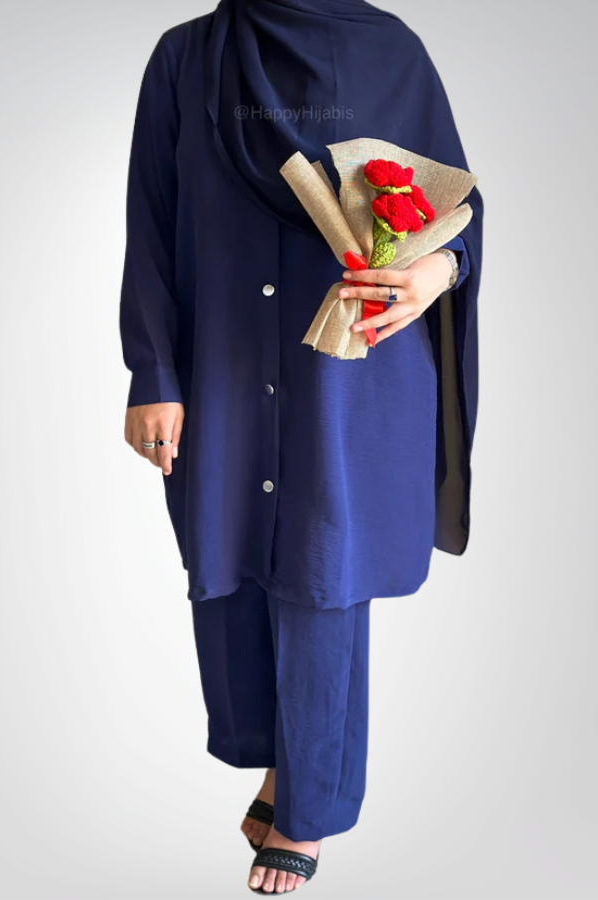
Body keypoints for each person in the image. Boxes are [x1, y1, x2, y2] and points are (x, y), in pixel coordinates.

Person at [119, 0, 483, 892]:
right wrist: (153, 372)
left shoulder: (391, 52)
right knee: (230, 551)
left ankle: (309, 808)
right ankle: (283, 765)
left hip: (346, 364)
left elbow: (462, 204)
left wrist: (434, 271)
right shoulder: (188, 57)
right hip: (225, 356)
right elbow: (151, 219)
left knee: (324, 574)